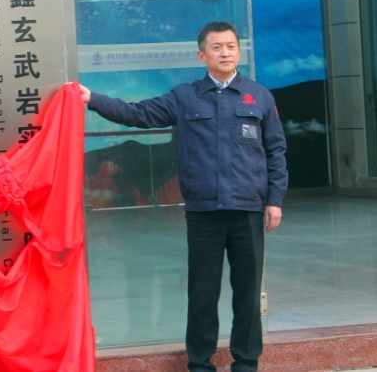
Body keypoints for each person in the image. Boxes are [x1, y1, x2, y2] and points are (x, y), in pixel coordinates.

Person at [78, 21, 288, 372]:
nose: (225, 52)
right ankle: (200, 363)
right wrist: (93, 99)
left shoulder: (259, 96)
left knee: (248, 291)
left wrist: (274, 199)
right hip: (204, 212)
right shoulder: (185, 97)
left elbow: (275, 151)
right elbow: (137, 114)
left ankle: (246, 362)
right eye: (217, 47)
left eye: (231, 46)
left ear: (239, 51)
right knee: (203, 292)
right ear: (201, 55)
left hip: (247, 210)